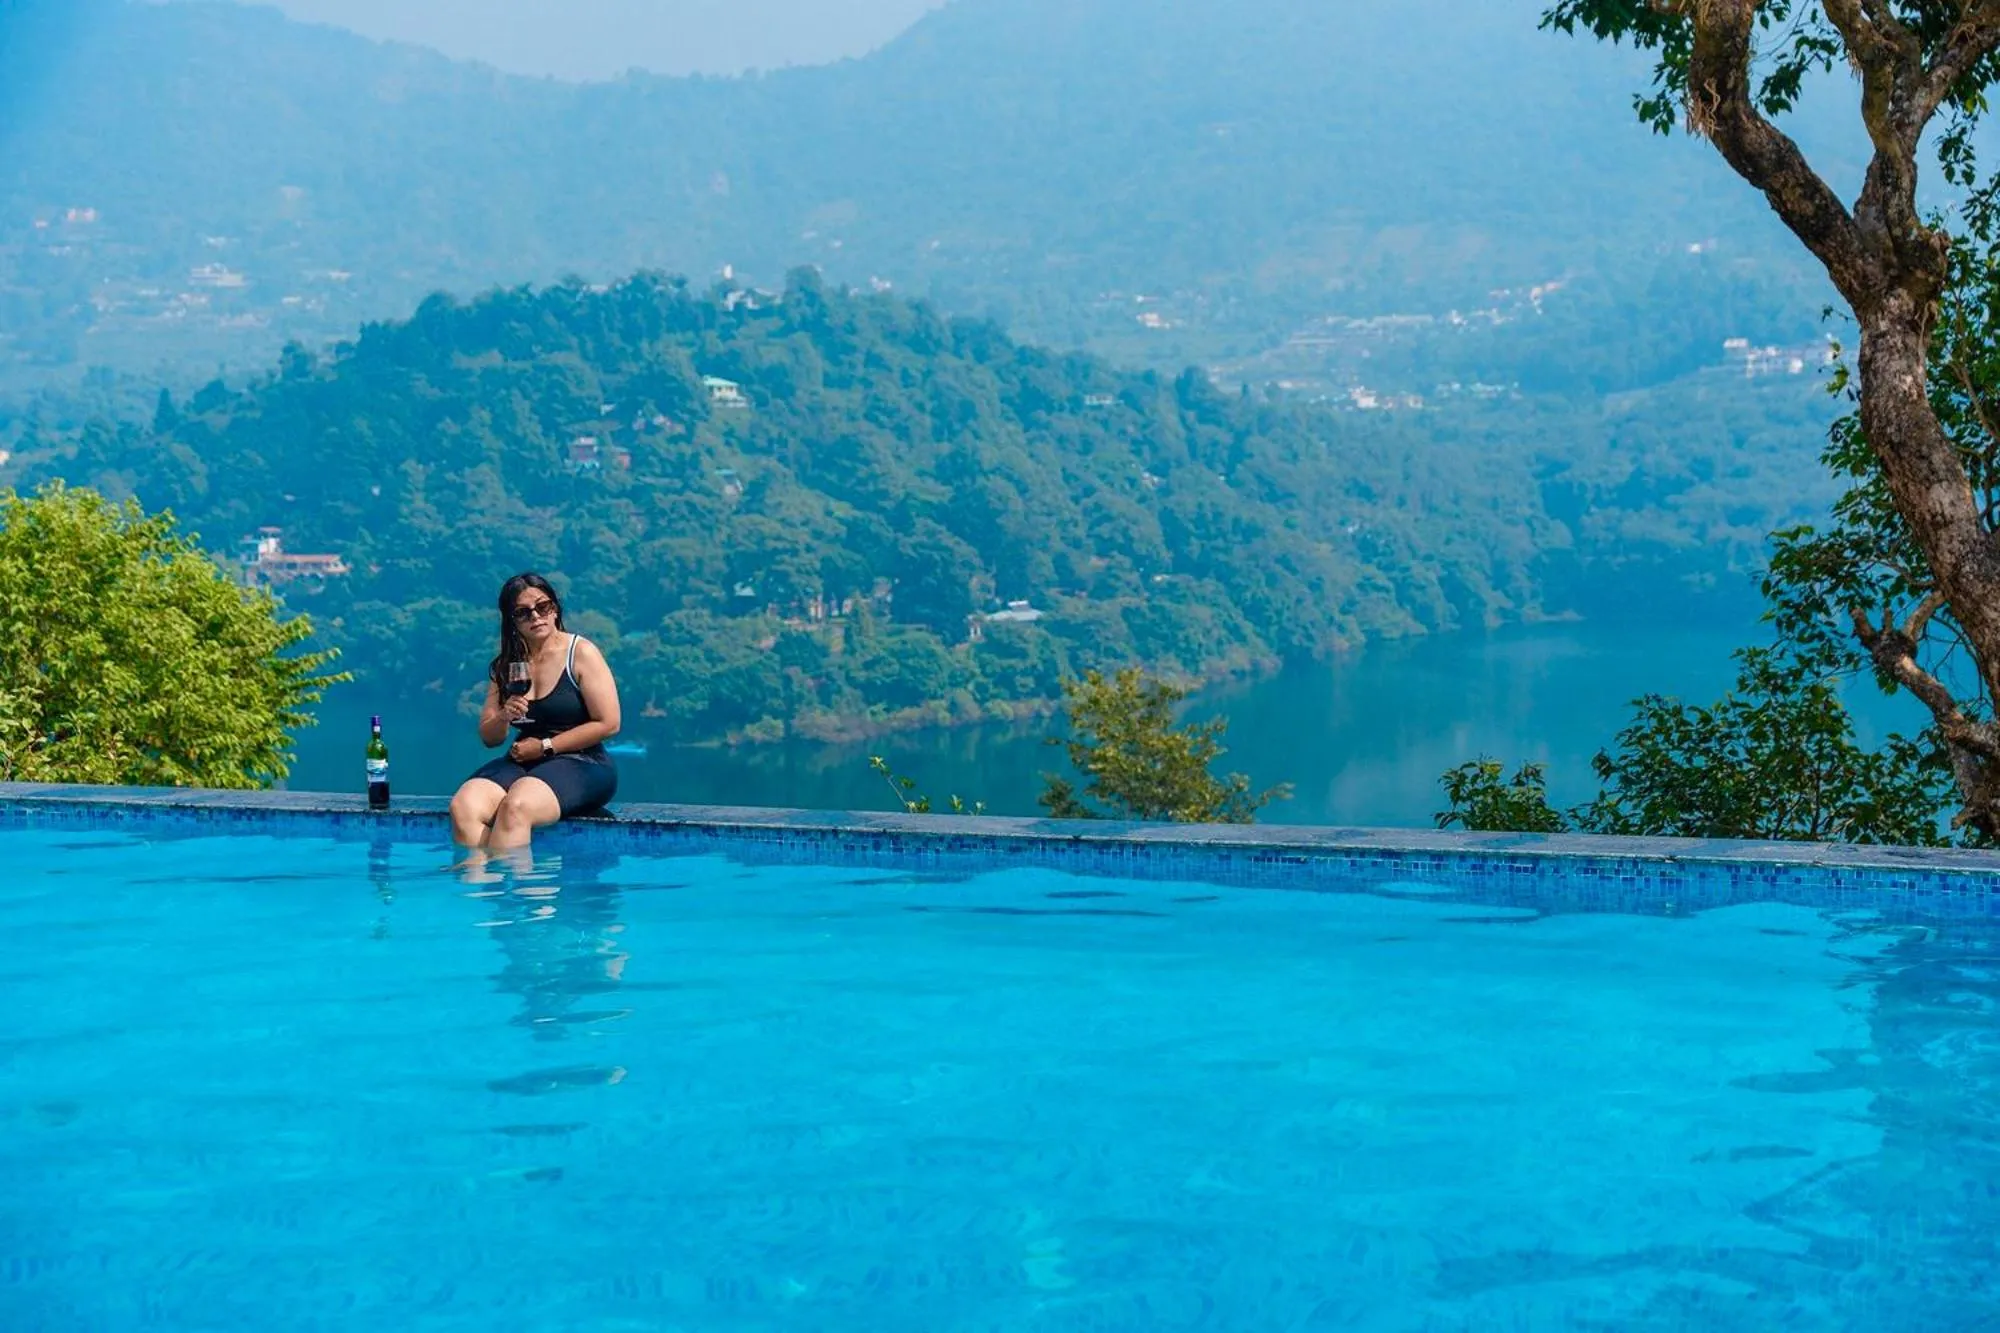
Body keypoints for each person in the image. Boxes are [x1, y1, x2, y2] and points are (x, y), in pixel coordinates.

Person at [449, 573, 621, 849]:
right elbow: (489, 737)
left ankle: (510, 878)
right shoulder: (507, 665)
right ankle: (483, 875)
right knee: (464, 807)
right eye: (523, 612)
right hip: (524, 760)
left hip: (583, 761)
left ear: (555, 609)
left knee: (517, 806)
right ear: (512, 621)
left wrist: (545, 747)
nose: (536, 616)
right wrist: (504, 716)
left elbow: (609, 723)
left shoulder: (581, 652)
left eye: (543, 606)